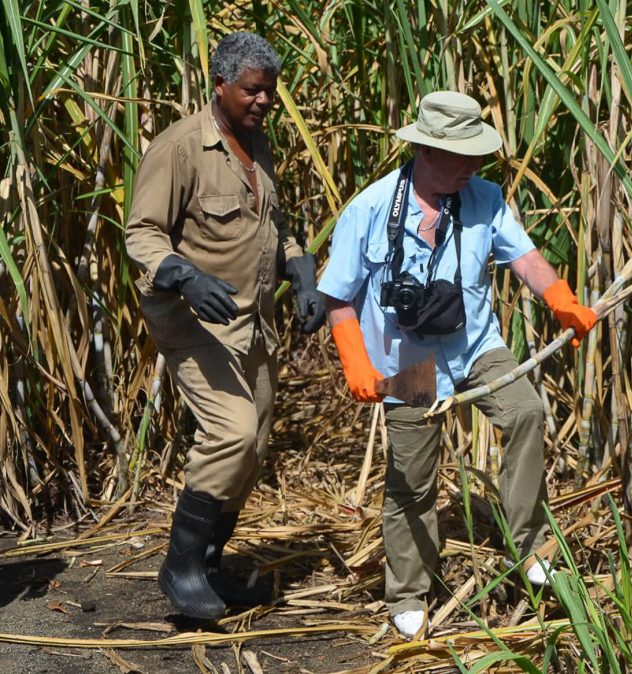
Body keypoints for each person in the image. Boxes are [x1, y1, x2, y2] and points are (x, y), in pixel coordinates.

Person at [317, 91, 596, 638]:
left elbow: (524, 257)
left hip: (474, 345)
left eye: (477, 155)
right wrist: (354, 358)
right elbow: (338, 295)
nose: (473, 166)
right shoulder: (372, 208)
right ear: (424, 151)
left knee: (525, 413)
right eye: (461, 156)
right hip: (410, 363)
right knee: (414, 480)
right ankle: (408, 591)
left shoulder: (484, 198)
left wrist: (561, 299)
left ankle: (530, 545)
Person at [124, 32, 325, 620]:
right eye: (252, 91)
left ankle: (211, 564)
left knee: (254, 446)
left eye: (270, 92)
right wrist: (185, 276)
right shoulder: (182, 146)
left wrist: (303, 276)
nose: (264, 102)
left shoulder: (256, 145)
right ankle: (180, 567)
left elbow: (275, 228)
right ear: (220, 85)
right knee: (232, 432)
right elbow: (142, 233)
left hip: (251, 320)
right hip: (193, 320)